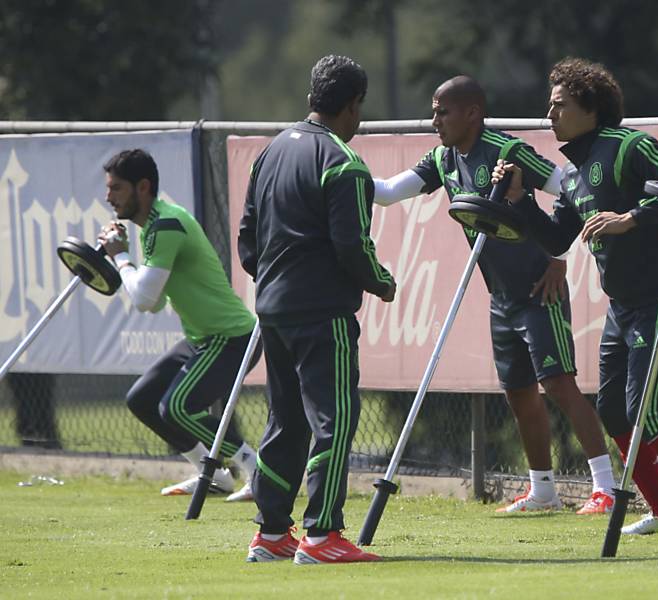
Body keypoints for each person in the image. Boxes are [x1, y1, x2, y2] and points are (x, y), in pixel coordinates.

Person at [494, 57, 658, 540]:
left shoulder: (628, 145)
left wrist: (630, 217)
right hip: (621, 307)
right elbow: (555, 240)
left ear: (591, 107)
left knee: (648, 412)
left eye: (559, 105)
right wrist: (520, 201)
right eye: (550, 106)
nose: (550, 115)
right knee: (611, 410)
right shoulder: (573, 170)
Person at [372, 75, 617, 514]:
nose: (435, 121)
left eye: (442, 112)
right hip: (500, 297)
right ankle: (543, 491)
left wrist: (559, 257)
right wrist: (339, 175)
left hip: (538, 291)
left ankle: (605, 488)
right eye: (433, 112)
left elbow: (574, 189)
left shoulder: (508, 152)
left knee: (559, 385)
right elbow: (389, 194)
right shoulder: (442, 159)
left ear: (472, 113)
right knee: (519, 393)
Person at [238, 55, 394, 564]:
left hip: (274, 310)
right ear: (352, 106)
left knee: (285, 422)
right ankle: (323, 535)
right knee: (335, 419)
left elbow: (247, 239)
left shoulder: (271, 152)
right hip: (322, 312)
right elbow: (353, 246)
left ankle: (271, 533)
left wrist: (276, 283)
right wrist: (381, 283)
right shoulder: (343, 163)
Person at [97, 149, 259, 503]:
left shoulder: (166, 224)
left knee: (177, 408)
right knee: (142, 399)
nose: (108, 197)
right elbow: (153, 304)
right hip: (204, 338)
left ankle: (257, 468)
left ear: (143, 187)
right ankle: (213, 474)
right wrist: (123, 257)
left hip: (232, 337)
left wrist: (120, 257)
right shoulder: (153, 226)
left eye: (117, 188)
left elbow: (142, 300)